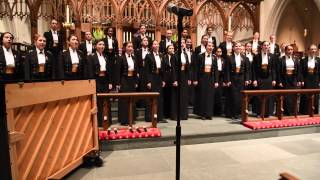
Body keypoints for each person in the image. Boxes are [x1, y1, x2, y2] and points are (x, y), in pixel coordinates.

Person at [87, 39, 113, 127]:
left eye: (103, 44)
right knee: (98, 101)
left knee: (106, 100)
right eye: (100, 44)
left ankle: (106, 120)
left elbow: (109, 71)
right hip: (96, 80)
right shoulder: (91, 57)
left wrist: (110, 82)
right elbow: (90, 71)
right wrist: (92, 82)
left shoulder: (105, 56)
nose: (102, 46)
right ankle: (98, 122)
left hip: (105, 80)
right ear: (95, 46)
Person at [193, 41, 218, 119]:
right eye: (209, 46)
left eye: (212, 46)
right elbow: (196, 68)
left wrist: (216, 81)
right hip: (202, 77)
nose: (210, 47)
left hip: (211, 77)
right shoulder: (200, 56)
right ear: (206, 47)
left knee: (210, 96)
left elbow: (216, 70)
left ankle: (209, 114)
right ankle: (203, 114)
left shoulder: (214, 57)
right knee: (203, 95)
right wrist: (195, 79)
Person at [225, 42, 250, 119]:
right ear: (233, 48)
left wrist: (247, 79)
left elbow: (247, 70)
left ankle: (239, 113)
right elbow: (227, 70)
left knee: (240, 97)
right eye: (236, 46)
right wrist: (228, 80)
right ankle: (232, 113)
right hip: (233, 78)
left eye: (239, 46)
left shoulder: (245, 58)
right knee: (233, 96)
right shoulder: (229, 57)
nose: (238, 47)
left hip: (241, 79)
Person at [115, 42, 138, 125]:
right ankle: (124, 120)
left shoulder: (134, 57)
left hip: (132, 80)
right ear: (125, 48)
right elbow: (117, 71)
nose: (130, 48)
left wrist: (136, 81)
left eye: (132, 46)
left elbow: (136, 71)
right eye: (129, 46)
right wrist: (118, 83)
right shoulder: (120, 58)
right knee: (124, 100)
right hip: (124, 80)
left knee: (132, 99)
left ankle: (131, 118)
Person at [252, 41, 277, 117]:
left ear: (269, 47)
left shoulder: (272, 56)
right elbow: (254, 69)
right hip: (260, 78)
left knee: (269, 96)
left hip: (269, 78)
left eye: (267, 45)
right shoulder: (257, 56)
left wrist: (274, 79)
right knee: (259, 96)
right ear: (261, 46)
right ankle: (259, 112)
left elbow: (273, 69)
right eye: (264, 45)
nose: (266, 46)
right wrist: (255, 79)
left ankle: (268, 113)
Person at [145, 40, 167, 123]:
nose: (156, 45)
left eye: (157, 44)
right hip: (152, 77)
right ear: (152, 46)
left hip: (159, 78)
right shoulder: (148, 56)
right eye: (154, 44)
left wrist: (163, 80)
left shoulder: (161, 55)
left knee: (159, 98)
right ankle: (150, 117)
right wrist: (148, 81)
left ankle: (159, 117)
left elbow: (163, 69)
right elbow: (146, 70)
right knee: (151, 97)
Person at [277, 45, 302, 116]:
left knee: (293, 96)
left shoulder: (296, 59)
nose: (290, 51)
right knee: (286, 96)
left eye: (291, 50)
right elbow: (278, 72)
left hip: (293, 79)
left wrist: (299, 80)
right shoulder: (281, 59)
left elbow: (299, 70)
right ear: (285, 51)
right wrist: (280, 81)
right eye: (288, 50)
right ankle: (286, 112)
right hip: (285, 79)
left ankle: (294, 111)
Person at [172, 39, 192, 120]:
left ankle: (183, 115)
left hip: (184, 76)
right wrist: (175, 80)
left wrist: (189, 78)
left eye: (183, 43)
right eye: (180, 43)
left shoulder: (186, 54)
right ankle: (176, 115)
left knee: (184, 95)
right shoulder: (174, 55)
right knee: (177, 96)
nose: (182, 44)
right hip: (177, 76)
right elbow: (173, 69)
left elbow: (188, 67)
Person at [299, 44, 320, 115]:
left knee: (315, 96)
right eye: (311, 49)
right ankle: (304, 111)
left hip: (315, 80)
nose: (313, 51)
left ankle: (314, 111)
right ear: (308, 50)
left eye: (314, 49)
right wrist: (301, 80)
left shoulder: (318, 60)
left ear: (316, 50)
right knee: (306, 96)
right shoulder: (303, 60)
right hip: (306, 79)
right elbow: (300, 72)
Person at [162, 44, 177, 119]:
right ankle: (165, 113)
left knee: (173, 96)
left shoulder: (175, 57)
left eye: (172, 48)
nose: (171, 49)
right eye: (170, 48)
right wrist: (163, 80)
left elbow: (176, 69)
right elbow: (163, 69)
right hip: (166, 77)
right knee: (166, 95)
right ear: (167, 49)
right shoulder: (164, 57)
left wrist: (175, 79)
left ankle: (172, 114)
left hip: (173, 77)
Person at [213, 47, 226, 116]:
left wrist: (224, 81)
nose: (219, 53)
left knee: (219, 95)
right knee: (213, 95)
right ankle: (213, 111)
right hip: (214, 78)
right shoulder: (213, 58)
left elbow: (224, 71)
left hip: (221, 78)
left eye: (220, 51)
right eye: (218, 51)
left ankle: (218, 112)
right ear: (215, 52)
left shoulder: (223, 60)